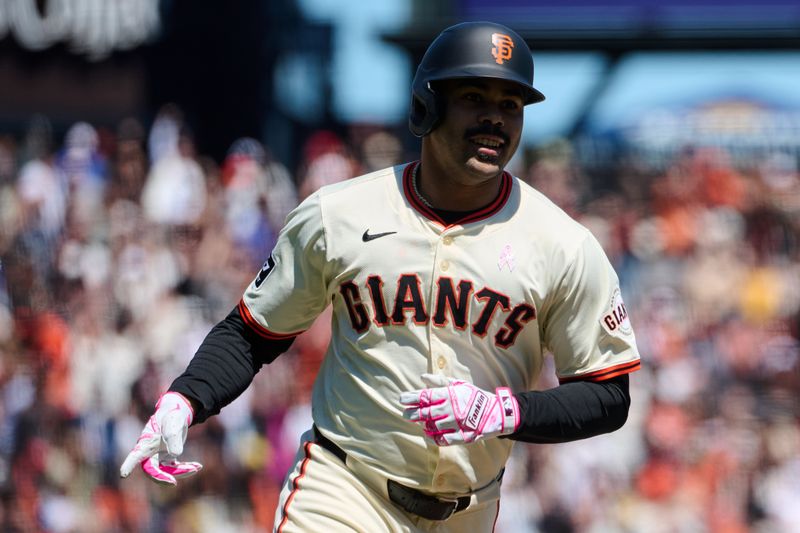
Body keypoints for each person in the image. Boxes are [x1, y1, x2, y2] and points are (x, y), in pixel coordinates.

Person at [120, 21, 641, 532]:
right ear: (427, 106)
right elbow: (252, 332)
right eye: (474, 99)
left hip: (471, 511)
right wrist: (185, 397)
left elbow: (607, 395)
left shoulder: (564, 244)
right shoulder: (339, 213)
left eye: (509, 105)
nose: (494, 119)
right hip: (346, 490)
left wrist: (503, 412)